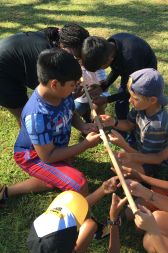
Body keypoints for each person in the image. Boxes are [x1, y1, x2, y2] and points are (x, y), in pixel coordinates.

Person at [0, 48, 100, 205]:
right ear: (54, 84)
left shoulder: (62, 94)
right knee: (78, 183)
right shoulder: (36, 116)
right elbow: (47, 156)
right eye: (72, 84)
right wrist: (85, 144)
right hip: (33, 156)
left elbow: (70, 110)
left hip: (52, 148)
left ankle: (6, 191)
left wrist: (82, 125)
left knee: (55, 178)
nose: (75, 88)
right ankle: (81, 220)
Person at [0, 23, 99, 124]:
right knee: (28, 118)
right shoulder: (46, 60)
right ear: (64, 47)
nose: (77, 62)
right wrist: (70, 95)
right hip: (3, 72)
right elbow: (51, 100)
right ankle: (34, 139)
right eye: (75, 58)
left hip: (10, 58)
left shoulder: (56, 38)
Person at [27, 187, 130, 253]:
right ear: (73, 247)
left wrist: (102, 189)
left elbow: (81, 207)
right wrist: (114, 220)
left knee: (89, 225)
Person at [100, 68, 168, 176]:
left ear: (152, 100)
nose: (129, 101)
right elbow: (129, 124)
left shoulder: (155, 127)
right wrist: (113, 122)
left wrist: (123, 145)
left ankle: (146, 178)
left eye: (135, 98)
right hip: (140, 150)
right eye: (130, 96)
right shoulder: (141, 107)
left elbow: (149, 159)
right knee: (117, 160)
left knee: (120, 166)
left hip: (153, 163)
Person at [81, 33, 157, 122]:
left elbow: (129, 91)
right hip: (130, 66)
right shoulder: (109, 46)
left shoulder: (129, 60)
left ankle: (127, 127)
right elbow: (116, 68)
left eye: (100, 68)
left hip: (144, 71)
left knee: (130, 102)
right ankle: (123, 123)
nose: (100, 70)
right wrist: (103, 87)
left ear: (109, 59)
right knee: (121, 102)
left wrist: (107, 99)